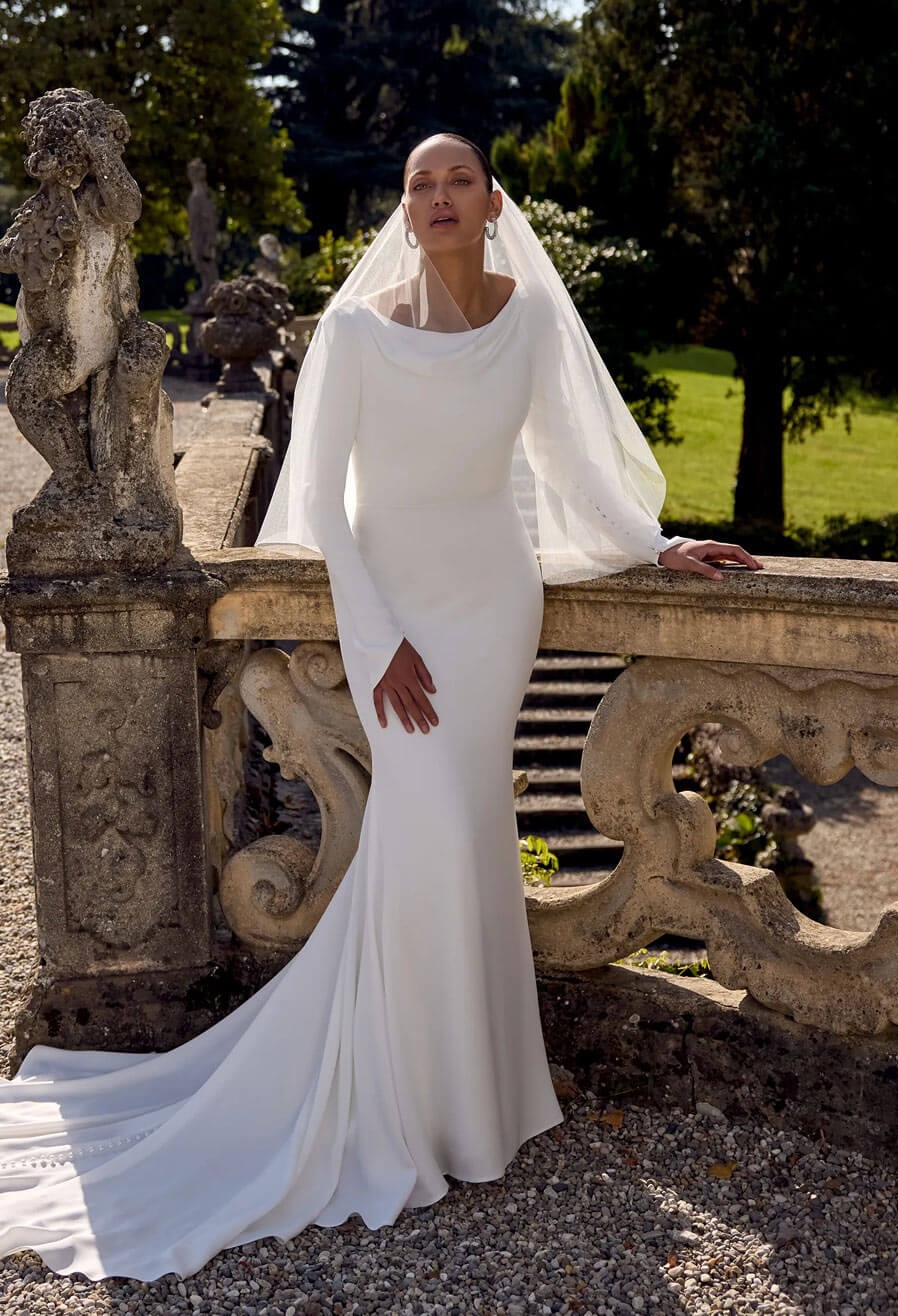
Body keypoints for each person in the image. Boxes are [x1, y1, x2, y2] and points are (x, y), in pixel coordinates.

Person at [0, 133, 762, 1283]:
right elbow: (327, 501)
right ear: (403, 211)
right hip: (397, 614)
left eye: (459, 180)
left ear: (493, 203)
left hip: (493, 606)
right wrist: (382, 636)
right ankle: (421, 1102)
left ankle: (480, 1096)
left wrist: (656, 544)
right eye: (420, 184)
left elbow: (568, 470)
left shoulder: (532, 319)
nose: (440, 197)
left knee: (463, 833)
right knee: (431, 830)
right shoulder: (356, 331)